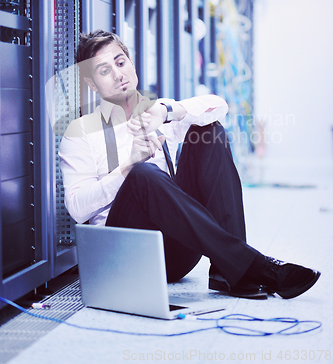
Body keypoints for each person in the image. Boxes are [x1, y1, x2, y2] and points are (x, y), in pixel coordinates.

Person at [59, 30, 320, 300]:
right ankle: (253, 266)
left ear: (131, 63)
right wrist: (127, 167)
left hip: (176, 255)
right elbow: (77, 208)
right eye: (104, 70)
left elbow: (218, 107)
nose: (118, 74)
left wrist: (165, 111)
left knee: (210, 131)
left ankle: (227, 270)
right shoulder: (80, 132)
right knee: (142, 174)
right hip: (126, 254)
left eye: (121, 62)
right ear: (91, 83)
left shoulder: (157, 113)